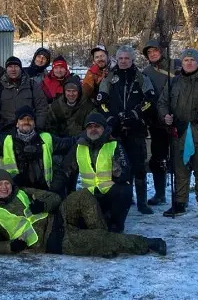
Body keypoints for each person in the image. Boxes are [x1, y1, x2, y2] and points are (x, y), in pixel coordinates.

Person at [0, 169, 166, 257]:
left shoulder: (22, 191)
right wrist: (10, 247)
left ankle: (102, 239)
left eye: (7, 183)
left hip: (58, 216)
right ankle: (147, 244)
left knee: (82, 195)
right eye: (0, 184)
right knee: (99, 239)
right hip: (50, 240)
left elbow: (53, 197)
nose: (5, 187)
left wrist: (43, 205)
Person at [97, 45, 156, 215]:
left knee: (138, 165)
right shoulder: (109, 77)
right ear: (117, 59)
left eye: (127, 58)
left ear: (132, 60)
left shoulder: (141, 77)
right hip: (115, 129)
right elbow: (101, 101)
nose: (123, 61)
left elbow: (150, 100)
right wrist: (110, 118)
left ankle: (142, 202)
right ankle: (124, 198)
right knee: (118, 166)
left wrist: (135, 113)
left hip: (136, 128)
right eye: (121, 58)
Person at [158, 49, 198, 218]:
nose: (188, 63)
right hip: (178, 131)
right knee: (180, 169)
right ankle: (180, 202)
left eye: (192, 60)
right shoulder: (174, 82)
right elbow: (162, 102)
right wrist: (165, 115)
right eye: (186, 60)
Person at [62, 114, 132, 232]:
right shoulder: (79, 146)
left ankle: (116, 225)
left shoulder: (114, 144)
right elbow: (65, 170)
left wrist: (118, 172)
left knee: (125, 191)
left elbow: (126, 173)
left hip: (109, 193)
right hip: (89, 196)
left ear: (104, 128)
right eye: (90, 127)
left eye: (97, 126)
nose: (93, 129)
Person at [0, 106, 73, 195]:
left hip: (43, 191)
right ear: (16, 123)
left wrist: (85, 136)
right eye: (22, 119)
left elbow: (69, 143)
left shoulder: (46, 138)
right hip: (15, 192)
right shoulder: (5, 141)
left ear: (34, 123)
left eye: (30, 119)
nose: (26, 122)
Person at [141, 40, 173, 207]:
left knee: (179, 159)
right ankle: (160, 193)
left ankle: (181, 196)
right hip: (157, 122)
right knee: (157, 159)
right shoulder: (146, 72)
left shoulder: (176, 66)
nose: (153, 54)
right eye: (149, 52)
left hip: (176, 120)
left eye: (155, 51)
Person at [0, 56, 48, 134]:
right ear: (6, 69)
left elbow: (42, 107)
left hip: (28, 128)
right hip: (6, 131)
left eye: (16, 66)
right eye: (10, 66)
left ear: (21, 69)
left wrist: (38, 127)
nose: (13, 69)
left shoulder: (32, 85)